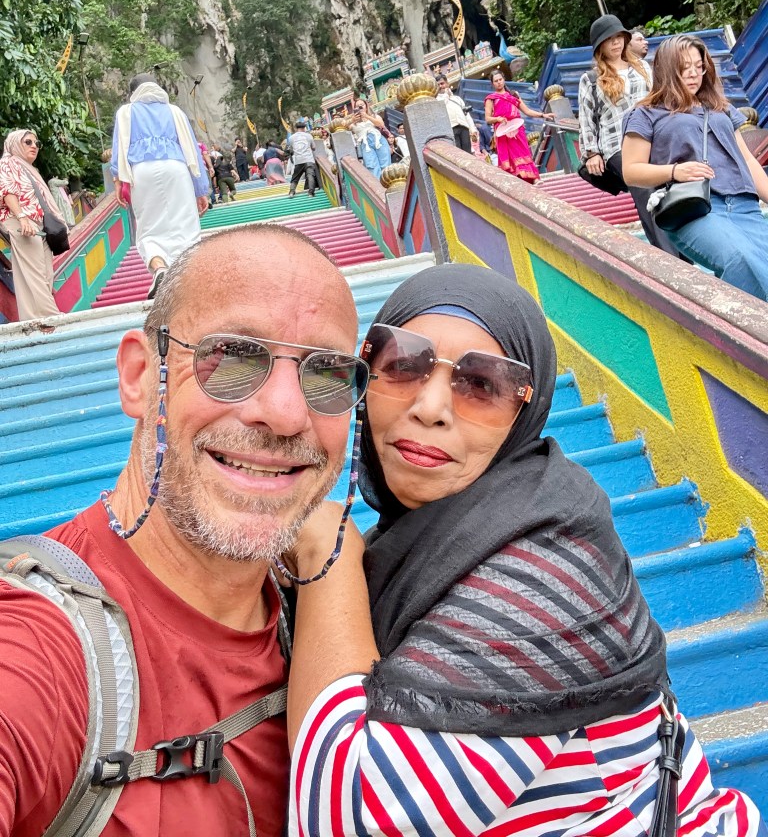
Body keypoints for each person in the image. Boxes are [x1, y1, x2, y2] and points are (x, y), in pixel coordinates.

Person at [287, 262, 765, 837]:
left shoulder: (552, 568)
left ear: (524, 413)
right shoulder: (426, 541)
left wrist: (326, 552)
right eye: (404, 365)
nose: (431, 407)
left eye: (481, 385)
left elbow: (345, 816)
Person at [0, 222, 371, 836]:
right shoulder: (38, 643)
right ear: (139, 376)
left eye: (328, 373)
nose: (285, 413)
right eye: (232, 356)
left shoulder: (332, 602)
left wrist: (332, 561)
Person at [623, 34, 768, 300]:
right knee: (740, 261)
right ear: (667, 69)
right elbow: (631, 171)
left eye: (698, 66)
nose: (693, 74)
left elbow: (747, 160)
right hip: (695, 208)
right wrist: (675, 171)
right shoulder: (645, 114)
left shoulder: (721, 108)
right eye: (684, 67)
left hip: (744, 206)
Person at [577, 15, 680, 256]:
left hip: (653, 137)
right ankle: (669, 257)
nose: (615, 43)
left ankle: (686, 251)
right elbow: (586, 118)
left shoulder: (642, 67)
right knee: (645, 188)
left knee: (672, 186)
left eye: (619, 37)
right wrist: (591, 153)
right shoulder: (591, 79)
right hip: (616, 144)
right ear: (599, 45)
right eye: (609, 39)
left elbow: (660, 100)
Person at [111, 74, 209, 298]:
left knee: (149, 227)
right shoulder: (175, 112)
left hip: (141, 171)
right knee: (185, 224)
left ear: (133, 93)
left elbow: (118, 149)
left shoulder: (125, 112)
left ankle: (160, 269)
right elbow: (192, 151)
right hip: (176, 168)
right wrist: (200, 190)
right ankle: (187, 274)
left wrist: (117, 180)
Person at [0, 130, 65, 322]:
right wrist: (22, 217)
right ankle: (51, 315)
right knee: (35, 270)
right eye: (28, 142)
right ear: (14, 144)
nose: (34, 146)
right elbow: (7, 191)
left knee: (45, 271)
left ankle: (34, 318)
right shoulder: (7, 163)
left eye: (37, 143)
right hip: (20, 221)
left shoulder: (29, 169)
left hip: (37, 223)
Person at [484, 69, 553, 183]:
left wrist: (543, 115)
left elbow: (527, 111)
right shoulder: (491, 99)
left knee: (524, 152)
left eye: (500, 79)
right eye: (496, 81)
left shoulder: (513, 95)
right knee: (509, 158)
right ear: (492, 83)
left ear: (504, 79)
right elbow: (487, 118)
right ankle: (516, 182)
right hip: (502, 132)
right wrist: (497, 119)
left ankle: (533, 178)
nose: (499, 82)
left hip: (517, 129)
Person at [436, 72, 478, 153]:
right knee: (458, 154)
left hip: (464, 127)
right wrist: (446, 95)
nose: (440, 86)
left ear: (447, 83)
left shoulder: (457, 99)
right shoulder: (437, 101)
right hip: (451, 130)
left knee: (467, 153)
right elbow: (442, 108)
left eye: (442, 83)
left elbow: (466, 115)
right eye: (438, 85)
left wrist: (473, 129)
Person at [349, 98, 391, 180]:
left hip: (379, 140)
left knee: (385, 163)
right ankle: (378, 186)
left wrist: (367, 116)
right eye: (357, 106)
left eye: (361, 105)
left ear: (366, 106)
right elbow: (344, 126)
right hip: (365, 144)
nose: (360, 107)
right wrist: (352, 120)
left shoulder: (374, 116)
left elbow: (381, 125)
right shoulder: (353, 121)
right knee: (371, 166)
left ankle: (389, 183)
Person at [286, 120, 317, 198]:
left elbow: (291, 149)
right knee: (310, 175)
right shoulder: (309, 136)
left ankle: (292, 192)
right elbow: (314, 147)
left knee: (295, 178)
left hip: (298, 160)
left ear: (296, 128)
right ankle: (311, 193)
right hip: (309, 159)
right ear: (304, 128)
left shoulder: (291, 138)